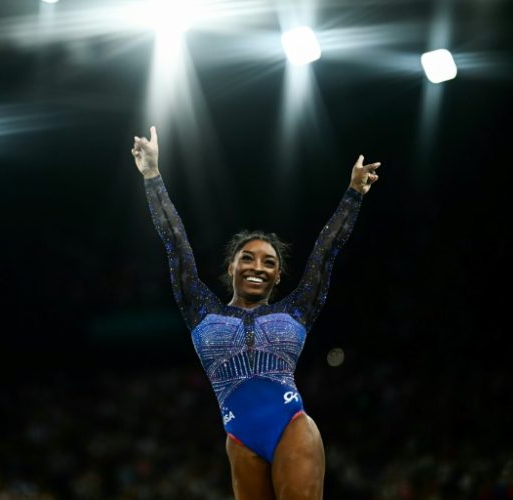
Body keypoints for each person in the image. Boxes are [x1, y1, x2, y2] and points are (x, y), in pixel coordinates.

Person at [131, 126, 380, 499]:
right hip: (238, 437)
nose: (257, 266)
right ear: (231, 267)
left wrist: (354, 194)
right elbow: (175, 243)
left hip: (290, 424)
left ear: (278, 275)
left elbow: (326, 252)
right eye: (247, 258)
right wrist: (152, 176)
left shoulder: (298, 309)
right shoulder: (199, 310)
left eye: (268, 262)